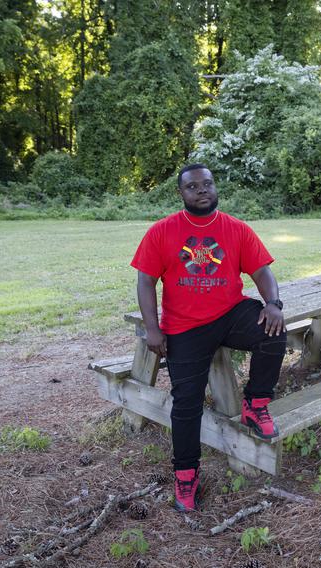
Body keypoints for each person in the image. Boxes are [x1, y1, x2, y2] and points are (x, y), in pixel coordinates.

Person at [130, 163, 287, 512]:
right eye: (192, 186)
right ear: (181, 193)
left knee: (274, 331)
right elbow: (145, 281)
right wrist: (153, 328)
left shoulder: (236, 229)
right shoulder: (162, 231)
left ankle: (255, 404)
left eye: (207, 184)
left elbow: (262, 270)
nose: (201, 190)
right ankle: (186, 474)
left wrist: (273, 303)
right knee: (186, 403)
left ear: (215, 188)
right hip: (184, 325)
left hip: (228, 313)